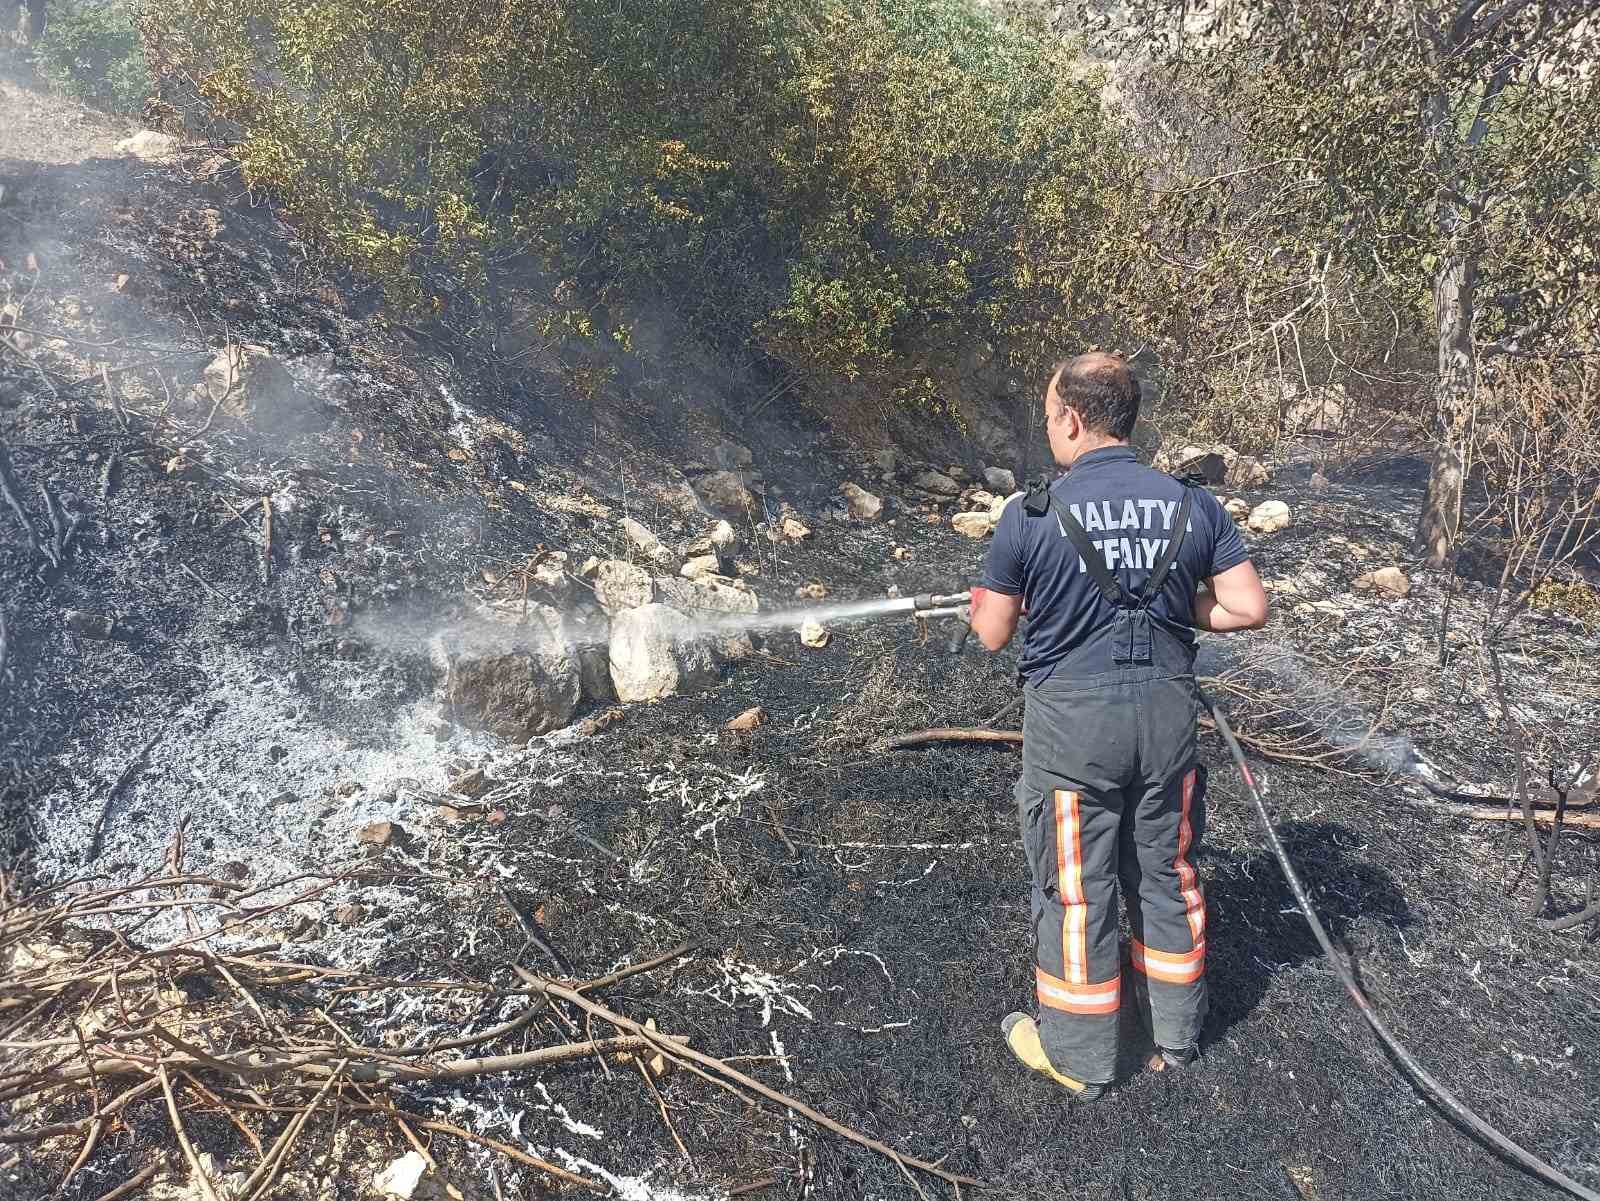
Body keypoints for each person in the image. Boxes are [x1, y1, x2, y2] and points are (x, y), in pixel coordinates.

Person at [967, 352, 1268, 1101]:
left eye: (1048, 418)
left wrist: (996, 600)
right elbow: (1246, 606)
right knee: (1166, 873)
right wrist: (1173, 604)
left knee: (1078, 891)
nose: (1049, 431)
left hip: (1074, 737)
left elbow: (993, 632)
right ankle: (1177, 1035)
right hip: (1167, 727)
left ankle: (1081, 1057)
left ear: (1071, 419)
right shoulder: (1192, 505)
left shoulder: (1032, 513)